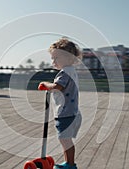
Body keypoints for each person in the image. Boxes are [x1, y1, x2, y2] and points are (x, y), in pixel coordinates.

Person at [39, 38, 82, 169]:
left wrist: (46, 85)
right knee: (65, 139)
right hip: (72, 111)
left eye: (56, 58)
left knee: (65, 140)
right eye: (53, 58)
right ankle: (68, 163)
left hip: (66, 113)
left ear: (69, 58)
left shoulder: (65, 73)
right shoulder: (72, 71)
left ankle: (70, 164)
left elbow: (58, 86)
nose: (53, 61)